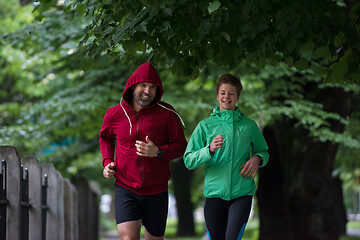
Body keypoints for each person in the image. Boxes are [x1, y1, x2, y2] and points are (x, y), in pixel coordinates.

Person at [99, 62, 187, 240]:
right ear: (133, 86)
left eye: (153, 87)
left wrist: (159, 151)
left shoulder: (168, 113)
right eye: (143, 85)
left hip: (157, 190)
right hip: (125, 187)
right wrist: (108, 161)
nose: (148, 91)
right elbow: (105, 137)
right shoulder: (114, 114)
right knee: (128, 238)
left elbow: (181, 146)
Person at [183, 73, 269, 240]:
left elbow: (264, 151)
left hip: (242, 193)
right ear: (217, 96)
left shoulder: (249, 125)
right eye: (223, 92)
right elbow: (188, 160)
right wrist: (209, 149)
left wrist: (257, 158)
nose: (226, 97)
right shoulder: (205, 126)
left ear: (237, 97)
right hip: (214, 194)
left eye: (231, 93)